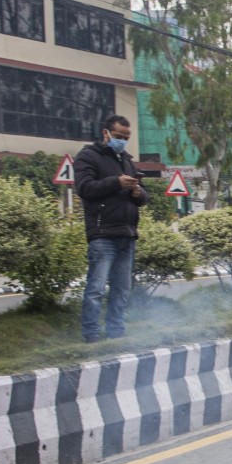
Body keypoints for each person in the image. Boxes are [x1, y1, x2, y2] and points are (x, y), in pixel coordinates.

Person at [74, 114, 150, 343]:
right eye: (119, 136)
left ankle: (116, 331)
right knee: (96, 288)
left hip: (127, 233)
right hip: (102, 233)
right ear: (105, 133)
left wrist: (138, 192)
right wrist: (116, 182)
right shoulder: (88, 156)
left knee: (122, 288)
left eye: (126, 138)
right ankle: (91, 333)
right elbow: (85, 188)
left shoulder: (127, 161)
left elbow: (143, 197)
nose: (122, 141)